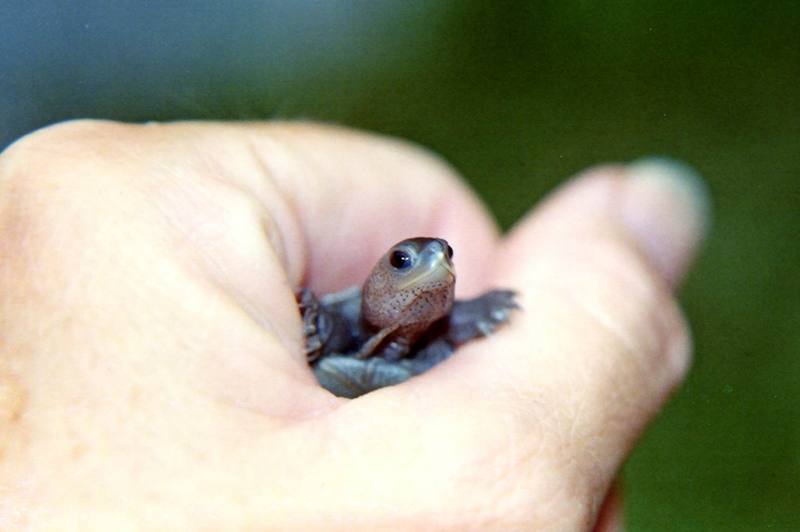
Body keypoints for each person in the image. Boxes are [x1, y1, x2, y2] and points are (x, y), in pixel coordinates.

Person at [0, 120, 709, 529]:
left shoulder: (444, 326)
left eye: (442, 262)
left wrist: (471, 316)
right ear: (376, 279)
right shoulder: (330, 328)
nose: (432, 266)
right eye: (406, 261)